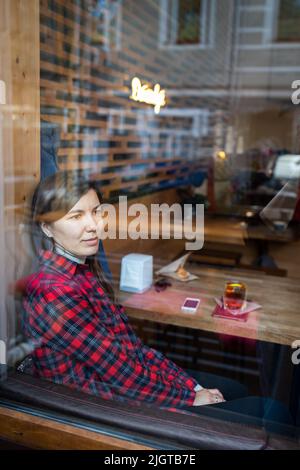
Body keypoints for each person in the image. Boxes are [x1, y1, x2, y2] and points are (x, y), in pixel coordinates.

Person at [21, 170, 294, 434]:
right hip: (111, 413)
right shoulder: (54, 292)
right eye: (76, 216)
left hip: (124, 390)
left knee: (238, 390)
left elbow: (132, 350)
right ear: (46, 227)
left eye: (96, 212)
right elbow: (123, 375)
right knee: (273, 412)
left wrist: (192, 386)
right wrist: (189, 396)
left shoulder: (80, 271)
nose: (93, 225)